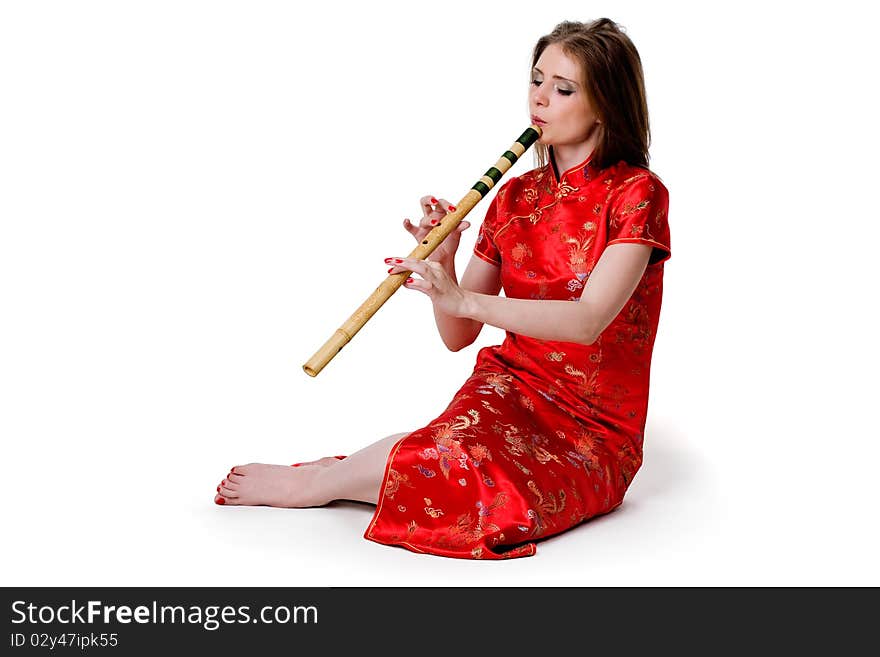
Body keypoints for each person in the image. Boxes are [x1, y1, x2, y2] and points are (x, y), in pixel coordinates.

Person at [213, 17, 671, 560]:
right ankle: (332, 478)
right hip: (509, 390)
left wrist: (466, 298)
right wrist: (445, 262)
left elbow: (590, 319)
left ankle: (329, 480)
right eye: (536, 80)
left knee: (496, 501)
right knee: (446, 451)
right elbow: (459, 335)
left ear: (605, 105)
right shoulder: (514, 196)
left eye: (563, 88)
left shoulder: (636, 193)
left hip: (593, 426)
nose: (540, 99)